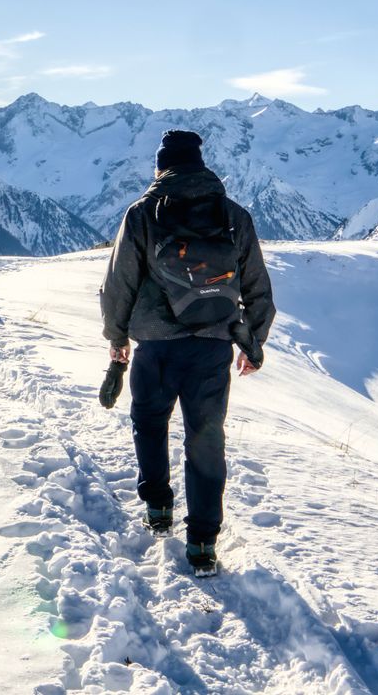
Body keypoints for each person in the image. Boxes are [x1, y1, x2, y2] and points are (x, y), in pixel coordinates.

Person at [100, 129, 276, 576]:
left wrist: (117, 338)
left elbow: (119, 283)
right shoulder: (233, 215)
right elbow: (257, 287)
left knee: (150, 423)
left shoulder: (142, 214)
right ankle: (202, 542)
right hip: (213, 348)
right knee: (206, 440)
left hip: (155, 346)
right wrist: (252, 344)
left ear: (161, 167)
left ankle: (158, 506)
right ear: (200, 164)